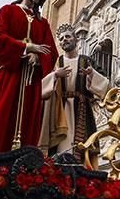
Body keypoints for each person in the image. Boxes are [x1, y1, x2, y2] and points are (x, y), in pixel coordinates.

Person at [0, 0, 57, 152]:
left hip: (29, 79)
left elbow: (50, 51)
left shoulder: (43, 23)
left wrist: (38, 56)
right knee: (0, 112)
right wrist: (26, 47)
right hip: (9, 72)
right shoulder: (8, 10)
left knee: (26, 118)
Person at [40, 23, 109, 157]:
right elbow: (41, 87)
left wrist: (91, 74)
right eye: (61, 39)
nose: (64, 40)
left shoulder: (86, 61)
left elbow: (105, 84)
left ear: (76, 39)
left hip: (82, 107)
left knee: (83, 145)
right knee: (59, 147)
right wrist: (55, 75)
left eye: (67, 36)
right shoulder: (56, 63)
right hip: (59, 109)